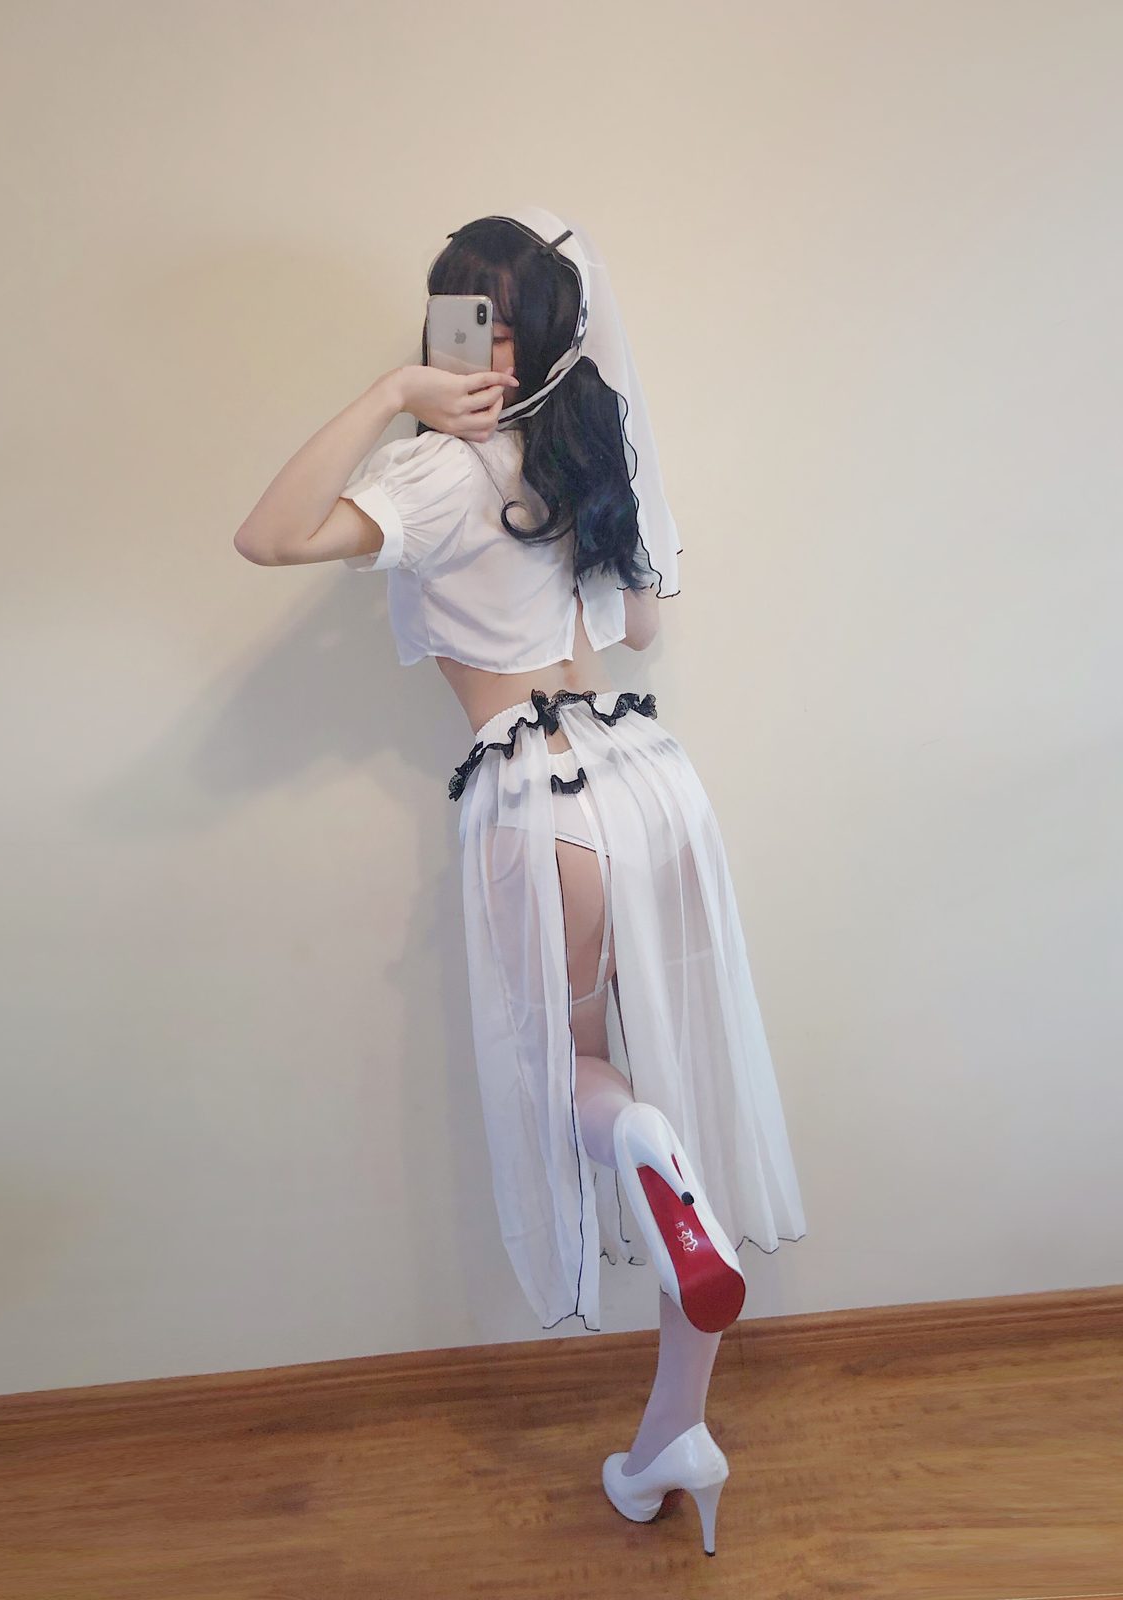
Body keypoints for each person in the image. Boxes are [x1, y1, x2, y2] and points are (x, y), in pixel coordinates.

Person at [233, 205, 807, 1555]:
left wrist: (395, 393)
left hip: (538, 798)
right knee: (663, 1074)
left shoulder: (438, 471)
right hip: (653, 783)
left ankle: (642, 1150)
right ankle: (672, 1432)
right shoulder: (590, 453)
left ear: (487, 334)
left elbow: (268, 536)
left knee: (582, 1085)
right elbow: (641, 621)